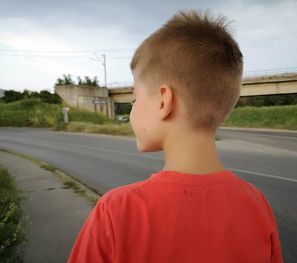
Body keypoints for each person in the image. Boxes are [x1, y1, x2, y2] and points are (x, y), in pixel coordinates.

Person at [68, 9, 283, 263]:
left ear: (163, 101)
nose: (133, 107)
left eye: (135, 97)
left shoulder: (116, 212)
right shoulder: (256, 204)